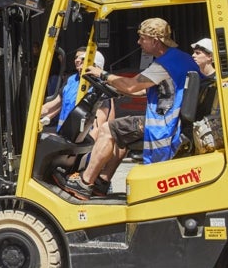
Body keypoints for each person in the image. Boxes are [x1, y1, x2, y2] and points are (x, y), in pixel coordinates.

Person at [55, 18, 200, 200]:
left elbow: (132, 86)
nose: (138, 42)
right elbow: (153, 90)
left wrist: (104, 75)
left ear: (155, 41)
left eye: (142, 38)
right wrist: (117, 88)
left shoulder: (163, 64)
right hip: (174, 119)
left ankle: (84, 183)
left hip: (163, 126)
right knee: (121, 135)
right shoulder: (182, 58)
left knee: (109, 129)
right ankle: (102, 181)